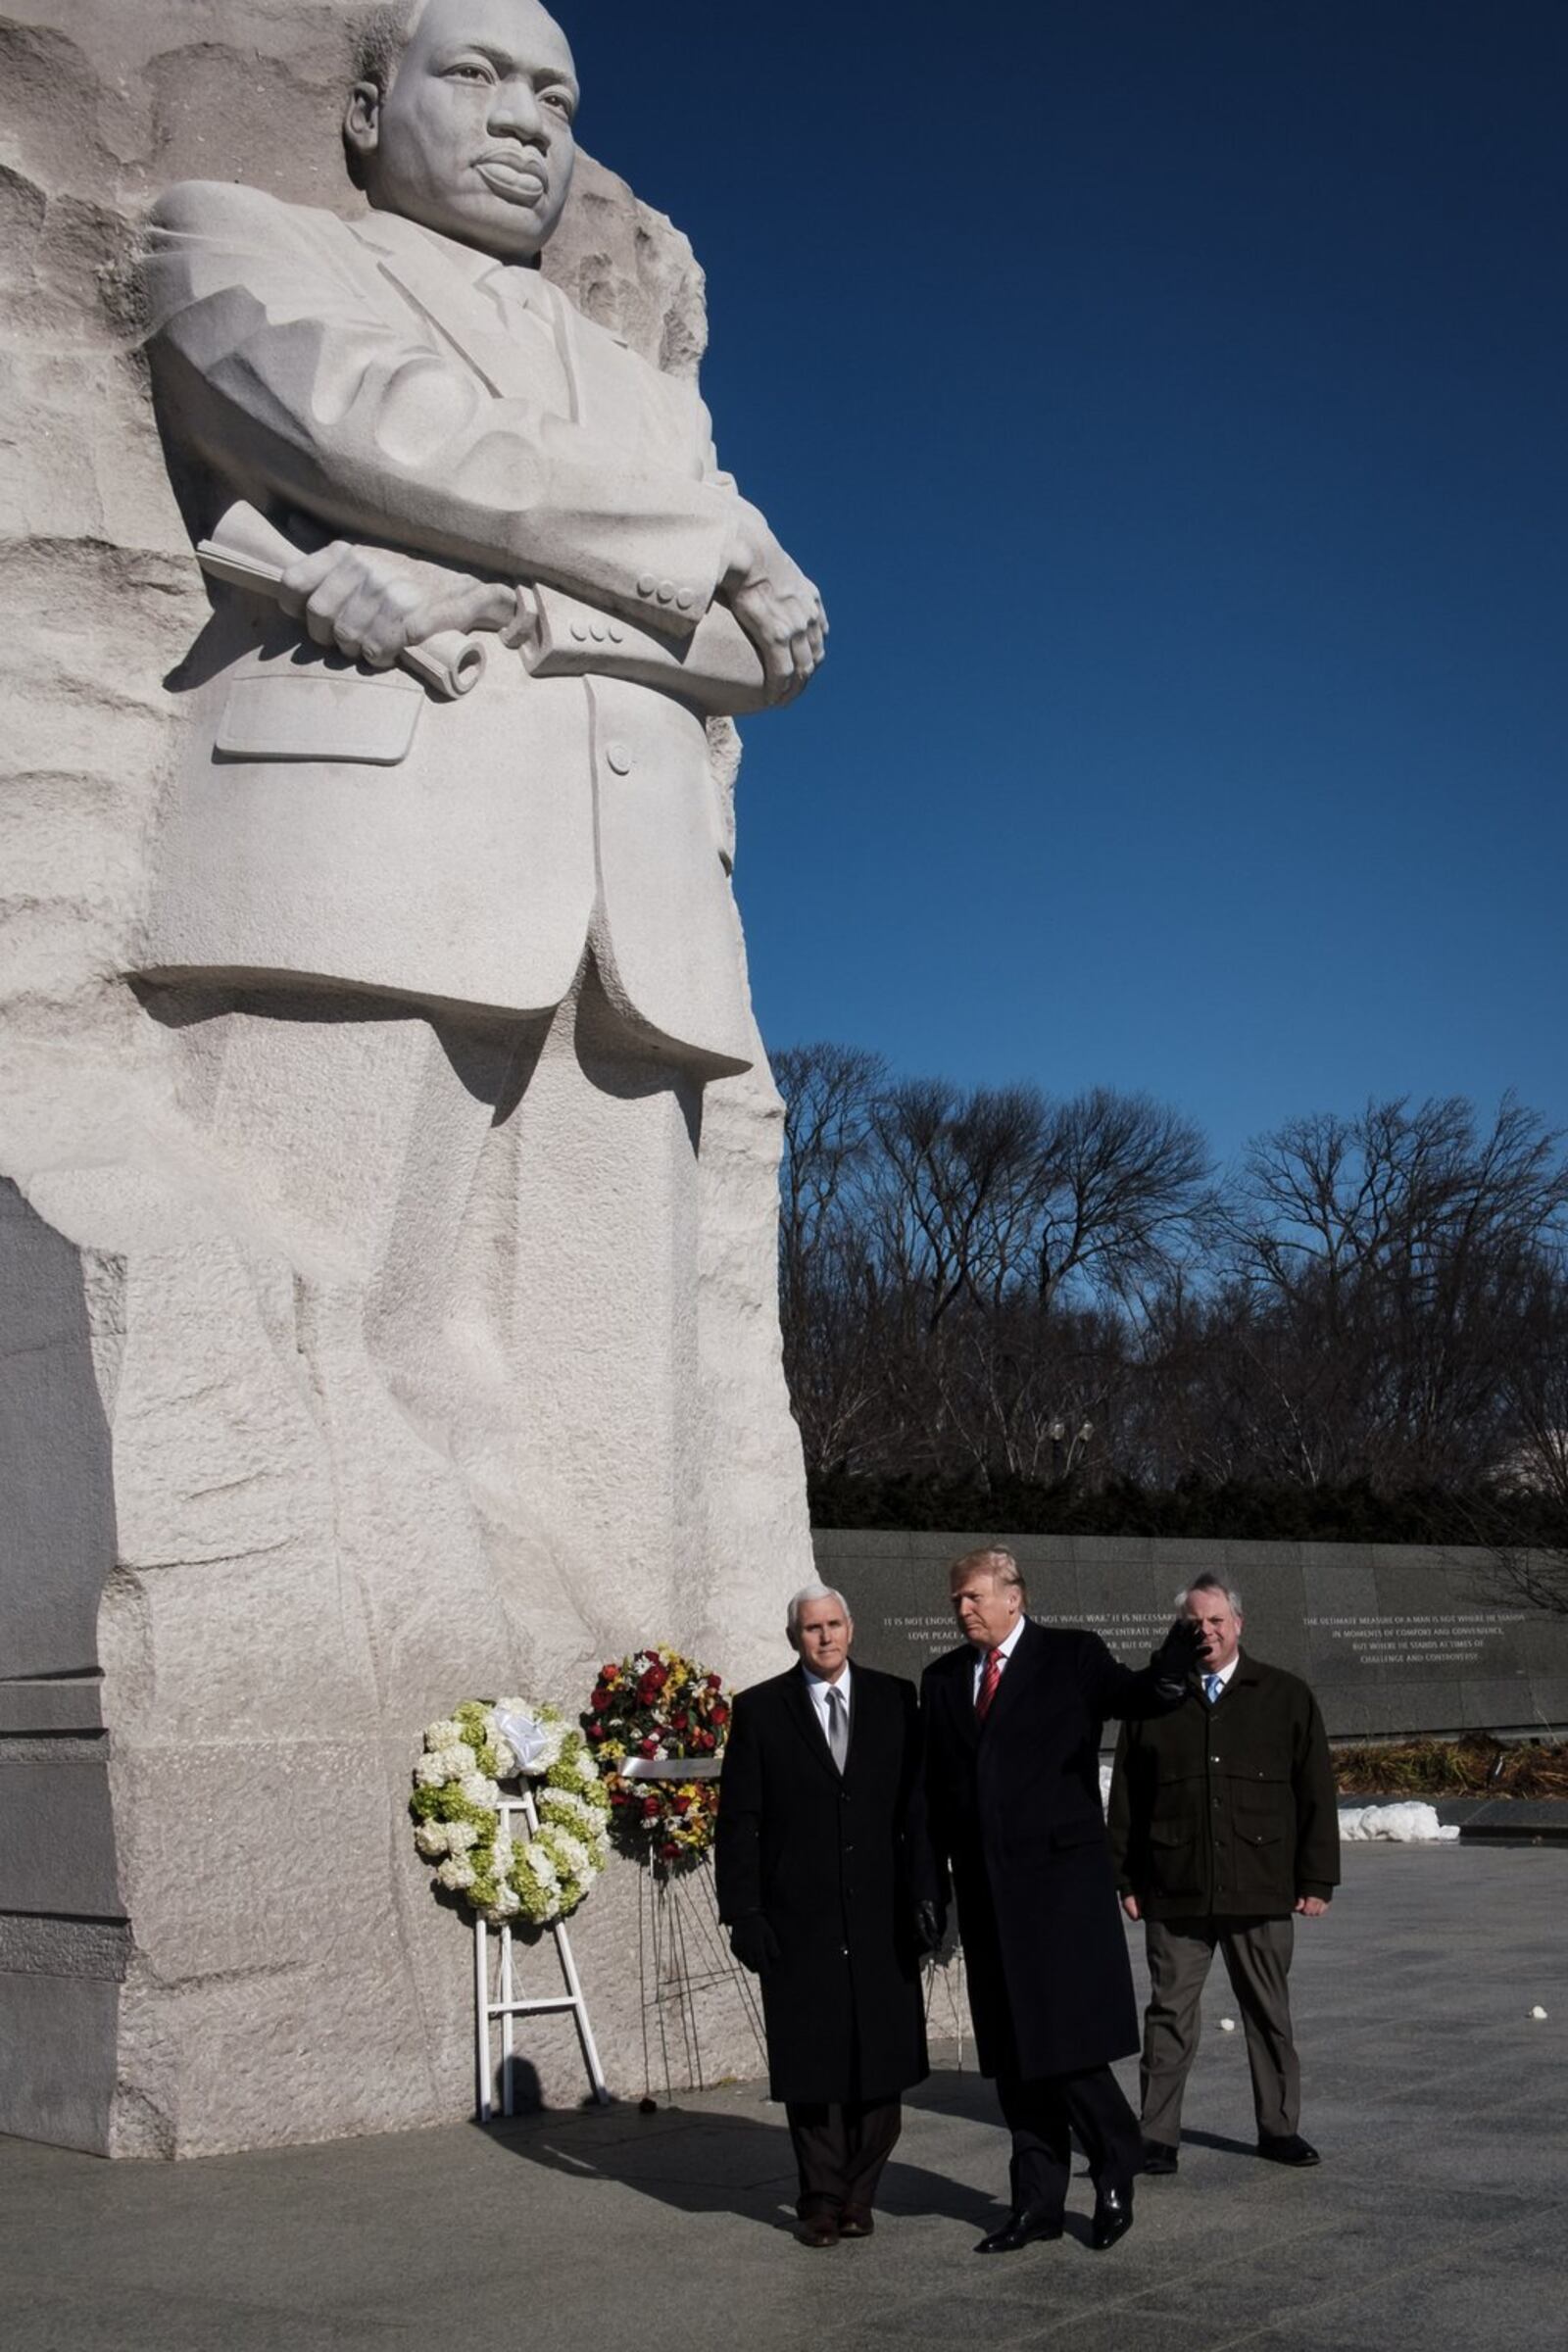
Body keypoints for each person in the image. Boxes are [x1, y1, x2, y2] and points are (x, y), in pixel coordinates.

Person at [133, 0, 828, 1639]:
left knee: (624, 1438)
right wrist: (694, 540)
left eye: (557, 94)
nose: (526, 118)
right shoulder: (238, 240)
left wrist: (495, 594)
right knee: (302, 1342)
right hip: (366, 870)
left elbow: (764, 646)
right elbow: (366, 431)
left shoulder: (636, 391)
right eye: (477, 75)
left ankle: (623, 1772)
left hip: (638, 926)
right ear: (366, 108)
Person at [920, 1547, 1204, 2255]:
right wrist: (930, 1881)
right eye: (955, 1599)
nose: (962, 1610)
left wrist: (1172, 1669)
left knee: (1067, 2048)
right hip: (987, 1897)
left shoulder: (1071, 1656)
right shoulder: (944, 1680)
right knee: (1015, 2059)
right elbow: (934, 1794)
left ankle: (1116, 2160)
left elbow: (1134, 1697)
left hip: (1058, 1893)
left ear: (1013, 1597)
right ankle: (1037, 2204)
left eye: (973, 1597)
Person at [715, 1583, 934, 2248]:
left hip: (880, 1915)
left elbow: (917, 1810)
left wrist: (929, 1895)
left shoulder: (898, 1700)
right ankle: (818, 2199)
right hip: (798, 1918)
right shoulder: (759, 1710)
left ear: (852, 1628)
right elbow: (739, 1821)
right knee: (812, 2068)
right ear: (795, 1638)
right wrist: (743, 1911)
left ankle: (859, 2194)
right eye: (812, 1628)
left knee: (882, 2064)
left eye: (835, 1624)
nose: (825, 1637)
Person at [1108, 1575, 1339, 2175]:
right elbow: (1126, 1795)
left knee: (1268, 2013)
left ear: (1238, 1624)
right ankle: (1156, 2136)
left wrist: (1317, 1880)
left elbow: (1315, 1789)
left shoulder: (1284, 1695)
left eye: (1215, 1621)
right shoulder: (1154, 1699)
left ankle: (1279, 2128)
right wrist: (1126, 1879)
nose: (1205, 1632)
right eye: (1193, 1624)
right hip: (1175, 1885)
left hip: (1260, 1884)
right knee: (1168, 2016)